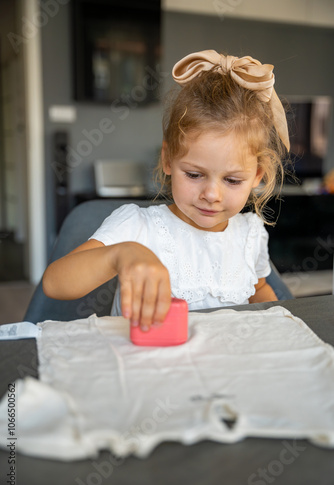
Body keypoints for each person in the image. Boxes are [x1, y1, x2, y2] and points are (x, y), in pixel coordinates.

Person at [43, 50, 290, 332]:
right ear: (168, 158)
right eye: (195, 175)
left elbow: (258, 290)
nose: (211, 194)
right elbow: (54, 283)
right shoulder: (137, 227)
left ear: (257, 175)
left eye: (232, 180)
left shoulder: (250, 235)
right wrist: (119, 255)